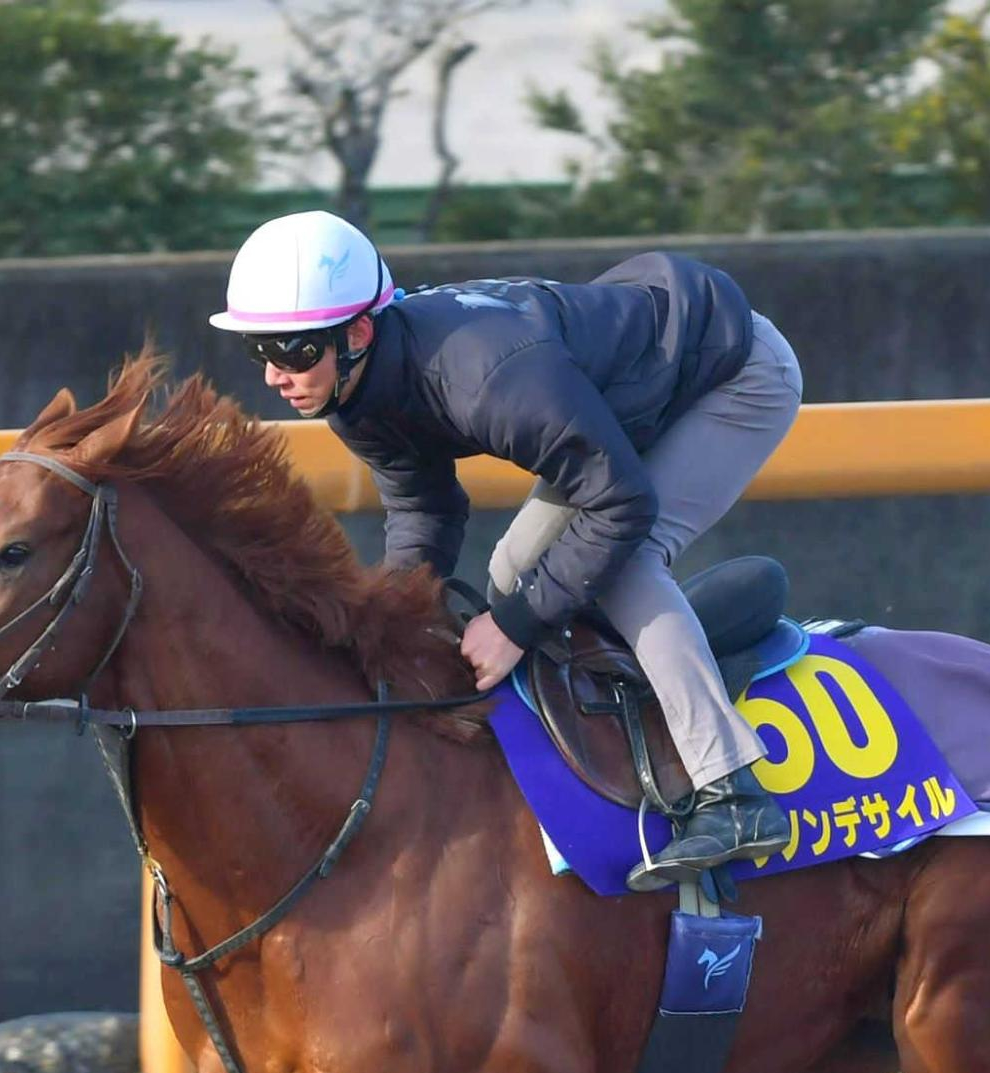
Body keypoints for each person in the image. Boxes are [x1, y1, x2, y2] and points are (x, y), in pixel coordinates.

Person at [209, 209, 801, 889]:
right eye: (261, 350)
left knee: (619, 564)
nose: (275, 376)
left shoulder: (485, 379)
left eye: (294, 351)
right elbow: (423, 509)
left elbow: (622, 504)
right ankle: (620, 708)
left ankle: (733, 790)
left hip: (733, 374)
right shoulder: (352, 391)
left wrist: (517, 627)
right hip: (629, 396)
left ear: (358, 331)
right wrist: (392, 627)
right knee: (513, 571)